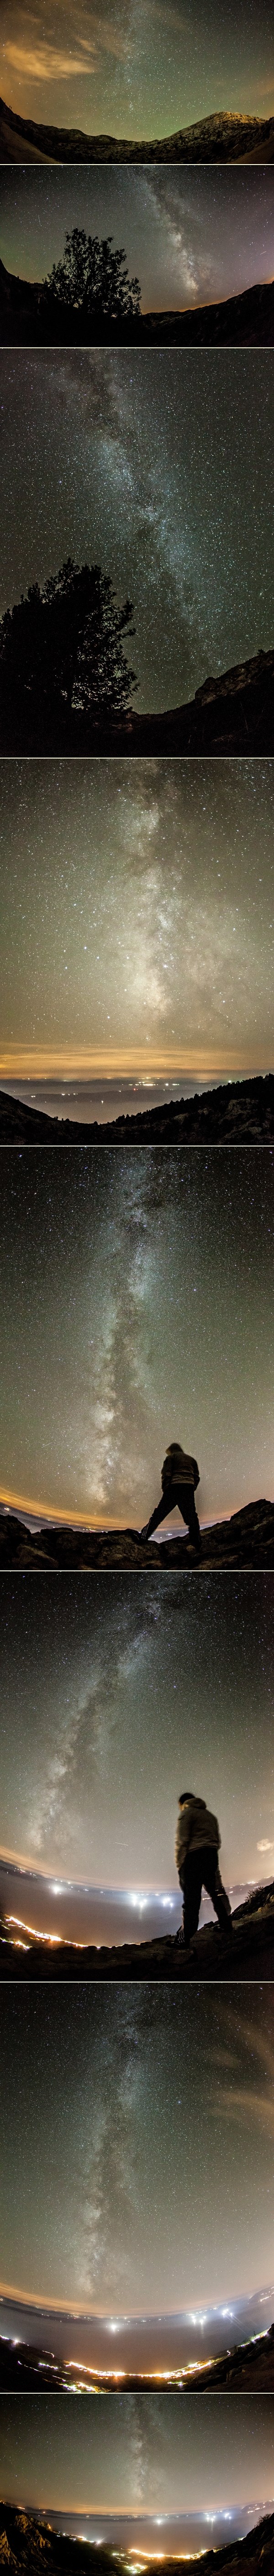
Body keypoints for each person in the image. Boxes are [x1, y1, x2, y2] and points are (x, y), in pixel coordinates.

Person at [174, 1789, 232, 1949]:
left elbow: (182, 1841)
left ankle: (184, 1939)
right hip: (211, 1857)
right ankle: (226, 1924)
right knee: (216, 1893)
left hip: (194, 1859)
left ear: (183, 1803)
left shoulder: (187, 1813)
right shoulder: (210, 1816)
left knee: (191, 1900)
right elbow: (217, 1841)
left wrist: (180, 1865)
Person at [141, 1440, 202, 1551]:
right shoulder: (192, 1460)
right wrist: (192, 1488)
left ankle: (142, 1538)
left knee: (159, 1515)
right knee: (192, 1517)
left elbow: (167, 1474)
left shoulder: (171, 1457)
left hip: (174, 1488)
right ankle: (196, 1544)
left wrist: (166, 1489)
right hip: (188, 1488)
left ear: (173, 1450)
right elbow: (196, 1477)